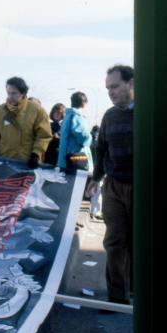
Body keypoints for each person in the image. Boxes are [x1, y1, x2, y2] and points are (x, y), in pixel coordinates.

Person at [86, 65, 134, 308]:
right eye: (108, 88)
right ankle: (117, 297)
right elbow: (101, 148)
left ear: (131, 83)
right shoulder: (109, 116)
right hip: (114, 186)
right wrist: (96, 177)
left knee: (136, 241)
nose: (110, 92)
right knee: (114, 241)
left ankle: (133, 287)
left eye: (115, 86)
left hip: (140, 186)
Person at [0, 77, 52, 167]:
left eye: (14, 93)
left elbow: (44, 135)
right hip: (4, 159)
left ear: (23, 93)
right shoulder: (0, 110)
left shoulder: (37, 110)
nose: (10, 96)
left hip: (26, 162)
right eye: (8, 93)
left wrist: (36, 154)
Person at [56, 91, 94, 173]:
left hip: (64, 157)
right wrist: (90, 139)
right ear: (84, 103)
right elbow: (83, 136)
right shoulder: (77, 116)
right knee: (78, 182)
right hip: (75, 156)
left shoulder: (67, 116)